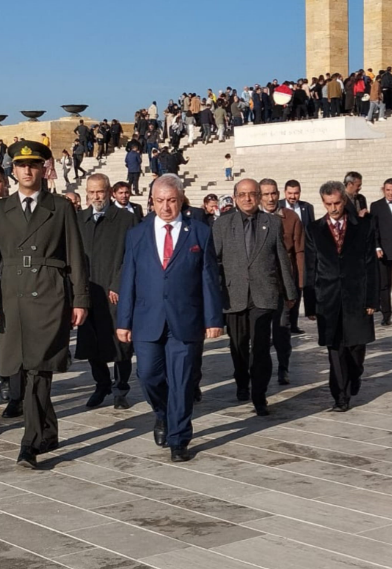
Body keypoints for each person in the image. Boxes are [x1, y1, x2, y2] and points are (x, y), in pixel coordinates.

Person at [117, 174, 222, 461]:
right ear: (151, 202)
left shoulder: (198, 232)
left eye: (172, 201)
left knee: (183, 380)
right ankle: (162, 414)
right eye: (160, 201)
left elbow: (208, 278)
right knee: (148, 375)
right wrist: (123, 321)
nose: (166, 207)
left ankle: (179, 437)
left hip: (185, 320)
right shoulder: (137, 234)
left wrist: (213, 319)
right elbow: (129, 278)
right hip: (147, 319)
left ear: (181, 200)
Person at [0, 140, 89, 468]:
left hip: (48, 297)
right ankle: (48, 430)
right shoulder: (1, 209)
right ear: (13, 170)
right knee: (19, 370)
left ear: (43, 169)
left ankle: (30, 443)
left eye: (34, 164)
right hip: (12, 299)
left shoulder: (60, 207)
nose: (27, 170)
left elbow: (76, 256)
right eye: (21, 165)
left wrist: (80, 299)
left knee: (38, 369)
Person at [213, 179, 296, 415]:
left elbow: (281, 258)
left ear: (259, 196)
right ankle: (241, 381)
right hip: (234, 295)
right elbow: (214, 261)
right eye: (242, 194)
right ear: (235, 196)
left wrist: (290, 292)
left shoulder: (271, 222)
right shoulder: (222, 224)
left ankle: (259, 395)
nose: (247, 198)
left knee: (260, 347)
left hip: (263, 294)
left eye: (252, 194)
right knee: (238, 345)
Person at [304, 181, 378, 412]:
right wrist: (311, 304)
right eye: (328, 204)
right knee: (334, 349)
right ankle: (340, 397)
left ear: (344, 201)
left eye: (337, 203)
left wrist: (371, 300)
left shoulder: (363, 226)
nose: (333, 208)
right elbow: (310, 267)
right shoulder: (314, 229)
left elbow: (371, 265)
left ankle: (355, 375)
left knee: (356, 348)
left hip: (357, 294)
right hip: (328, 297)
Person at [75, 174, 138, 409]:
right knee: (92, 343)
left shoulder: (126, 219)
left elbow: (132, 256)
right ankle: (101, 384)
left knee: (120, 343)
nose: (95, 196)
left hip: (115, 292)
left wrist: (118, 283)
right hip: (89, 291)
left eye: (99, 191)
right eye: (91, 192)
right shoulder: (80, 219)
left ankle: (121, 389)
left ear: (109, 192)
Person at [260, 179, 304, 384]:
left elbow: (299, 252)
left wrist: (298, 285)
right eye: (266, 194)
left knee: (282, 331)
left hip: (282, 285)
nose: (270, 198)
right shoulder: (253, 218)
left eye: (273, 193)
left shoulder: (291, 217)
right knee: (259, 334)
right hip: (258, 287)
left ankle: (283, 367)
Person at [278, 179, 315, 333]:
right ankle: (282, 324)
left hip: (302, 252)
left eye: (296, 193)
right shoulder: (278, 207)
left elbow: (311, 229)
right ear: (285, 193)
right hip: (285, 254)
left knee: (298, 288)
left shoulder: (307, 208)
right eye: (290, 193)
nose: (293, 196)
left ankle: (293, 323)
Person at [370, 179, 392, 326]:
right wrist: (377, 247)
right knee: (384, 284)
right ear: (383, 190)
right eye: (388, 190)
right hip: (384, 251)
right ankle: (386, 315)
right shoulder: (376, 206)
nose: (390, 193)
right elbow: (374, 228)